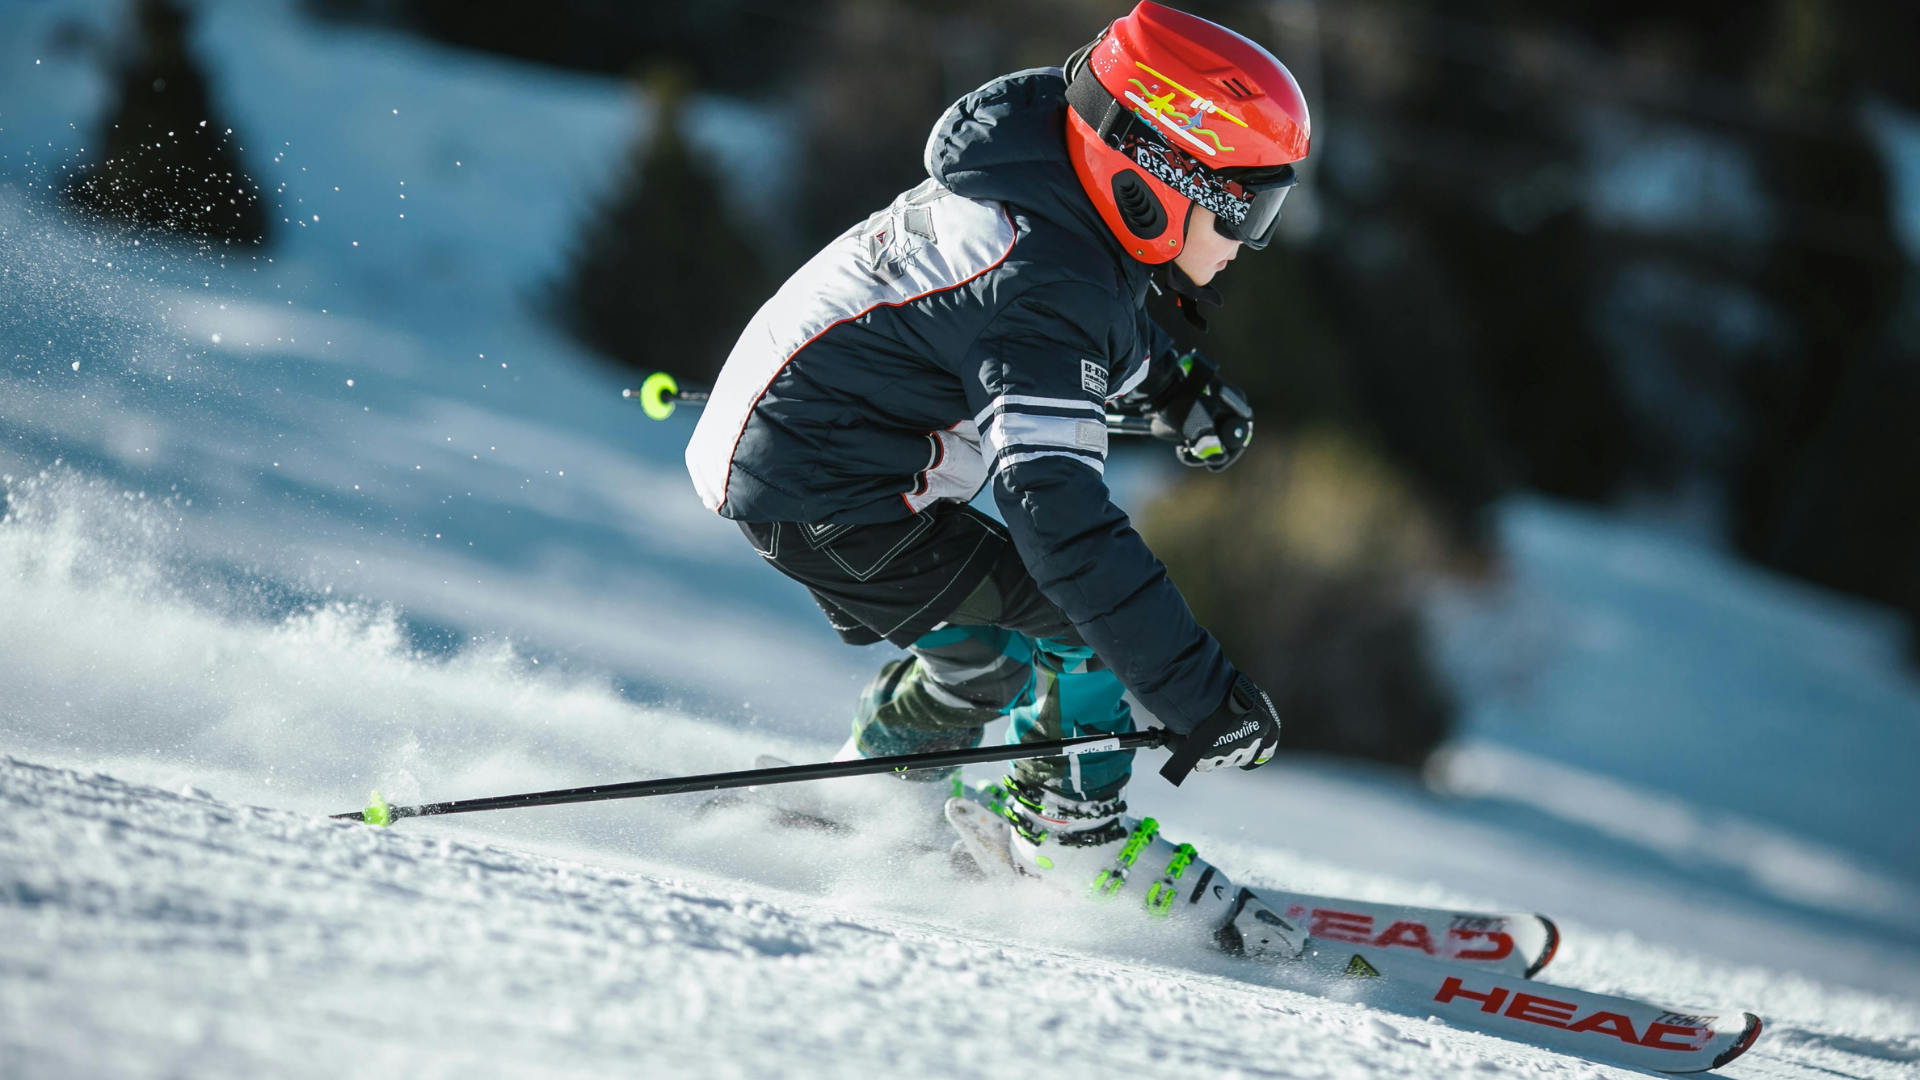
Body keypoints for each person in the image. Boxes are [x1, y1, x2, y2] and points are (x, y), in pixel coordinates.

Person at [685, 1, 1310, 874]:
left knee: (987, 658)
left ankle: (868, 795)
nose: (1251, 243)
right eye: (1246, 212)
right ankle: (1068, 836)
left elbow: (1080, 317)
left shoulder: (1047, 191)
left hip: (804, 455)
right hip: (821, 484)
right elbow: (1055, 515)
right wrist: (1198, 695)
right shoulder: (1044, 284)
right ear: (1165, 180)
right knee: (1082, 630)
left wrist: (1175, 385)